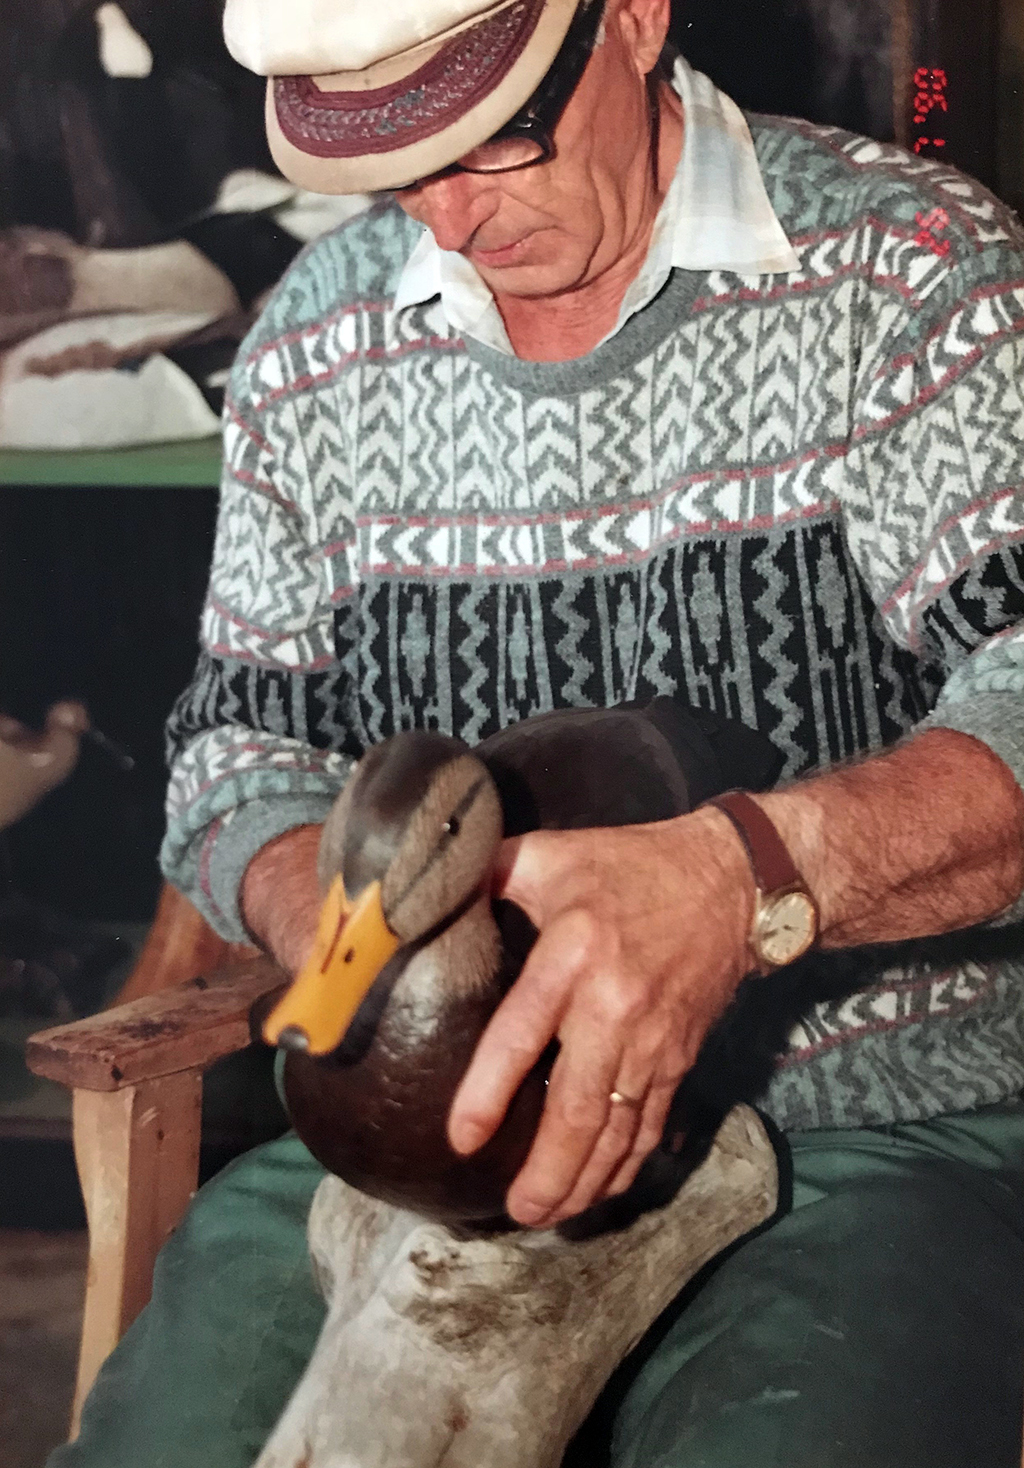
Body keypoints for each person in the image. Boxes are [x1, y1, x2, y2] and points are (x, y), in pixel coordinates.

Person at [55, 0, 1024, 1463]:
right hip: (430, 1154)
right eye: (397, 172)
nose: (448, 216)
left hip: (869, 1126)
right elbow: (237, 745)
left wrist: (742, 876)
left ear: (631, 17)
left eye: (493, 137)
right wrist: (340, 911)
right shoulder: (317, 343)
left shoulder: (914, 273)